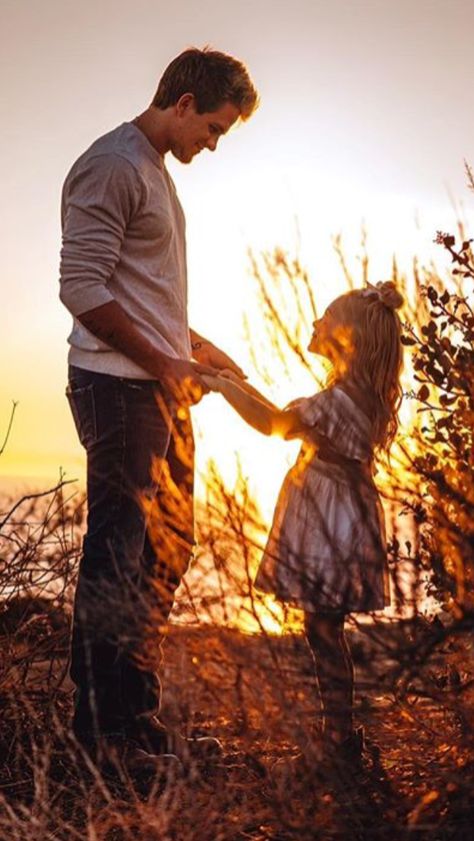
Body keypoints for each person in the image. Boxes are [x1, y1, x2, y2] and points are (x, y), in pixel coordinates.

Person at [59, 47, 258, 775]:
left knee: (170, 546)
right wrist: (167, 361)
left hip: (159, 385)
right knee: (117, 552)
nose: (213, 143)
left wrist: (196, 347)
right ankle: (99, 736)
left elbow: (141, 291)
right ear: (182, 102)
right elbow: (81, 287)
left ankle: (131, 718)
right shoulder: (113, 165)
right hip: (117, 388)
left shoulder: (156, 176)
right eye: (213, 128)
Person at [203, 281, 404, 766]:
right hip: (342, 517)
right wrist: (234, 378)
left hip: (332, 523)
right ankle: (340, 734)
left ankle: (339, 739)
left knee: (323, 628)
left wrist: (220, 385)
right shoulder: (352, 396)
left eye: (325, 319)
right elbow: (279, 414)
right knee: (323, 627)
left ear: (347, 337)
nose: (315, 324)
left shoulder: (341, 402)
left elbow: (273, 424)